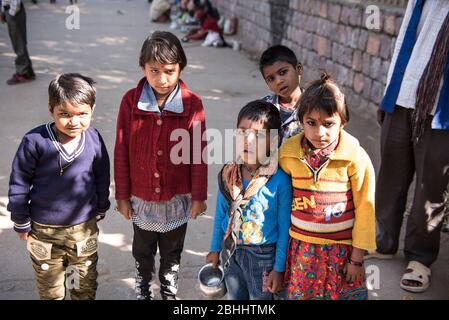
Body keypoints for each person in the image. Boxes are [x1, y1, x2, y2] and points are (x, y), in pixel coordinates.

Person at [114, 31, 208, 300]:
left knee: (172, 251)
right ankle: (143, 288)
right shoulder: (130, 101)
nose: (162, 79)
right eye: (154, 70)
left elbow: (197, 154)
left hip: (178, 197)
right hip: (141, 197)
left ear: (181, 68)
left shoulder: (192, 104)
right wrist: (122, 196)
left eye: (170, 70)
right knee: (142, 251)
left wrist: (198, 197)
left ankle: (168, 289)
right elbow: (121, 149)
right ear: (143, 67)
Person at [366, 0, 449, 293]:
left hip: (442, 110)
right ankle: (383, 242)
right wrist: (388, 94)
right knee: (390, 176)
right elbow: (403, 42)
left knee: (431, 188)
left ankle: (420, 258)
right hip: (403, 97)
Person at [7, 73, 110, 300]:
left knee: (83, 283)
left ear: (92, 109)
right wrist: (21, 221)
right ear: (51, 109)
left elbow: (102, 176)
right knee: (50, 288)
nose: (74, 122)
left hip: (84, 228)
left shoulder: (93, 139)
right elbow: (19, 182)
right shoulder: (34, 141)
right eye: (64, 114)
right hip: (43, 231)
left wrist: (101, 206)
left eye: (82, 114)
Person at [279, 73, 376, 300]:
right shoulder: (287, 156)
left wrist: (357, 259)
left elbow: (365, 210)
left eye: (329, 124)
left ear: (343, 121)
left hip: (342, 254)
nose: (319, 132)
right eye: (311, 123)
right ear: (301, 121)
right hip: (302, 250)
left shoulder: (355, 158)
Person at [206, 100, 291, 300]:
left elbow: (284, 227)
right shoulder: (229, 174)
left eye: (259, 135)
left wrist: (279, 268)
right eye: (242, 132)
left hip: (263, 257)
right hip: (231, 253)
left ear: (273, 141)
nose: (248, 140)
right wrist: (214, 249)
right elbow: (220, 214)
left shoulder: (279, 180)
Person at [259, 45, 304, 145]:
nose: (278, 81)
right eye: (271, 79)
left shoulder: (315, 106)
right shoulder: (262, 108)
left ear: (299, 69)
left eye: (283, 72)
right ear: (267, 84)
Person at [1, 0, 35, 85]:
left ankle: (23, 72)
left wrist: (11, 13)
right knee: (19, 42)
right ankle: (28, 71)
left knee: (18, 43)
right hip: (10, 10)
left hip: (14, 11)